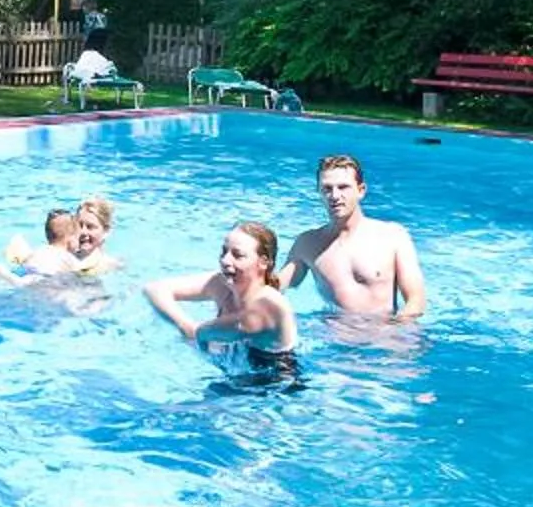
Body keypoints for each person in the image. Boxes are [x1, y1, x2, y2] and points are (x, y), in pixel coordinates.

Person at [277, 151, 429, 316]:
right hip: (329, 330)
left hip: (383, 329)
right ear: (319, 192)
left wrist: (396, 327)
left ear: (361, 190)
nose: (335, 196)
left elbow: (416, 301)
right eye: (327, 189)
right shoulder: (308, 243)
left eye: (343, 187)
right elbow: (276, 287)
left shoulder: (393, 237)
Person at [144, 219, 300, 376]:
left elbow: (242, 325)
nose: (225, 261)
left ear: (263, 262)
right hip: (234, 381)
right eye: (224, 252)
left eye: (238, 255)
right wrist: (184, 325)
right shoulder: (221, 285)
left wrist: (197, 332)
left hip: (275, 386)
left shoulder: (270, 304)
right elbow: (155, 289)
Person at [0, 195, 119, 283]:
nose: (83, 232)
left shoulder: (107, 265)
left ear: (106, 231)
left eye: (90, 227)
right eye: (79, 226)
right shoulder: (58, 253)